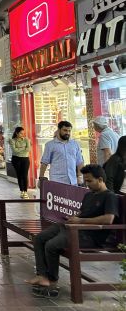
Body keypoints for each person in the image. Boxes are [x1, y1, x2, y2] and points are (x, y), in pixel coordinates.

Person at [26, 165, 118, 295]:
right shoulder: (89, 195)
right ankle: (42, 275)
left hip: (89, 236)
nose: (87, 184)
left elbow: (108, 219)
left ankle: (52, 281)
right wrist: (74, 217)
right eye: (85, 181)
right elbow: (82, 212)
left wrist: (80, 221)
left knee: (51, 245)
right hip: (74, 229)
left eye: (90, 181)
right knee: (40, 238)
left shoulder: (110, 196)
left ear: (100, 179)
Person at [39, 121, 84, 187]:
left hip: (72, 181)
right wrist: (41, 178)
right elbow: (44, 163)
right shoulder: (50, 145)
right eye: (65, 130)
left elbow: (79, 162)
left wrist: (80, 176)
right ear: (59, 130)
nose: (67, 133)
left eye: (69, 131)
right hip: (57, 181)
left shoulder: (74, 144)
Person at [10, 127, 31, 199]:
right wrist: (23, 148)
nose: (23, 134)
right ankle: (21, 191)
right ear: (17, 133)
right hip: (16, 159)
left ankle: (25, 191)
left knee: (24, 175)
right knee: (19, 175)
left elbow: (28, 149)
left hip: (25, 159)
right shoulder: (12, 140)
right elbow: (14, 150)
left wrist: (19, 148)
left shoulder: (26, 139)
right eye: (21, 133)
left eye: (23, 133)